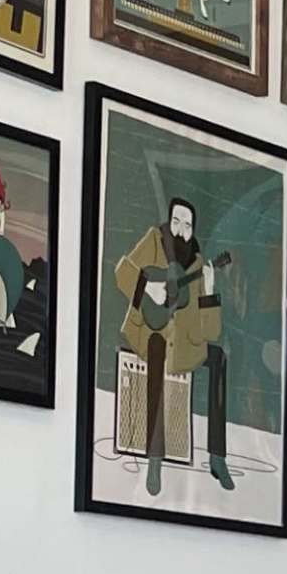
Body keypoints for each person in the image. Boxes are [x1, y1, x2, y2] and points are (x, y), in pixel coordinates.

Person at [106, 195, 234, 493]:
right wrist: (147, 288)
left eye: (187, 225)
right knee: (156, 348)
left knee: (219, 356)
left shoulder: (198, 264)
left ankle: (217, 456)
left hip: (185, 345)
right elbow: (121, 272)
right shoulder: (154, 241)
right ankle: (155, 458)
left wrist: (209, 291)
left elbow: (211, 332)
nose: (180, 229)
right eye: (176, 221)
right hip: (151, 332)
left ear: (193, 231)